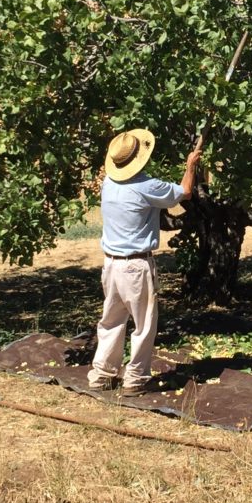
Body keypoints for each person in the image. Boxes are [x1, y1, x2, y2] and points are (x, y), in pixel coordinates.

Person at [87, 129, 201, 395]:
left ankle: (102, 374)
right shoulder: (147, 186)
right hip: (136, 267)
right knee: (144, 324)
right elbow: (184, 192)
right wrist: (191, 166)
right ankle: (135, 379)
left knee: (111, 320)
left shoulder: (108, 184)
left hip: (111, 265)